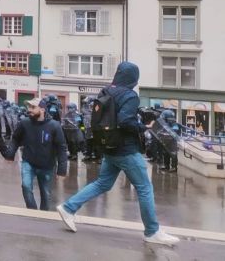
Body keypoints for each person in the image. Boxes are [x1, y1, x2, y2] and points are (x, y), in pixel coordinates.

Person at [57, 62, 180, 246]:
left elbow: (113, 116)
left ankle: (68, 207)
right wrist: (143, 126)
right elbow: (125, 121)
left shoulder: (106, 91)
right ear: (133, 78)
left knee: (103, 183)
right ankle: (152, 231)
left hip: (110, 147)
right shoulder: (130, 95)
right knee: (145, 188)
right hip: (126, 149)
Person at [4, 97, 67, 210]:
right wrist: (10, 154)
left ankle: (42, 217)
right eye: (29, 107)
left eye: (33, 107)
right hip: (28, 162)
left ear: (42, 109)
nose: (29, 110)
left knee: (46, 195)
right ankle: (32, 211)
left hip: (47, 166)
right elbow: (16, 139)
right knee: (26, 186)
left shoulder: (54, 126)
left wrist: (62, 170)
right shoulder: (24, 123)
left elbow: (61, 148)